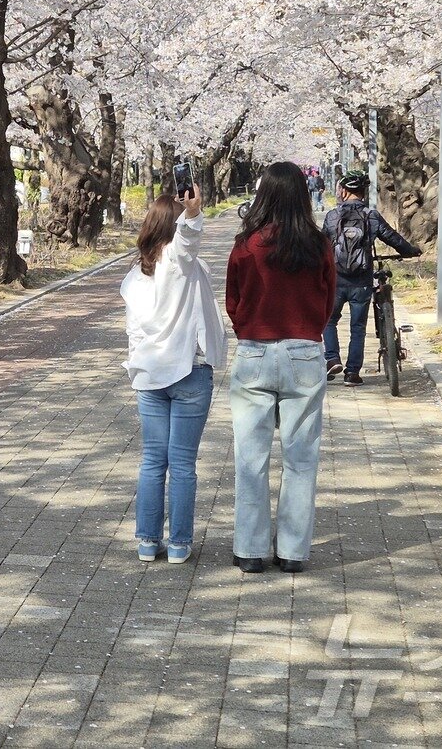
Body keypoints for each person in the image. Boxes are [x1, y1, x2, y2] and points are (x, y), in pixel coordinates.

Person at [225, 161, 337, 574]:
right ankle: (292, 551)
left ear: (263, 195)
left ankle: (250, 550)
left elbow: (233, 301)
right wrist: (309, 328)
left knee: (250, 458)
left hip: (254, 352)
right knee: (301, 459)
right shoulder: (318, 245)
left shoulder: (246, 244)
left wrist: (249, 328)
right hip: (304, 352)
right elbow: (329, 299)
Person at [121, 186, 227, 564]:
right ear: (173, 227)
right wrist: (193, 214)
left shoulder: (135, 277)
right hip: (189, 373)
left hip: (150, 376)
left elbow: (133, 333)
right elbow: (187, 240)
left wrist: (139, 366)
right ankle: (179, 544)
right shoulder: (178, 262)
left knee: (153, 461)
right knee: (181, 463)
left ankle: (148, 542)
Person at [322, 170, 422, 386]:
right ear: (364, 192)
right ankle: (352, 373)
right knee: (357, 328)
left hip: (335, 281)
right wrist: (410, 251)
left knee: (329, 320)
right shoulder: (371, 216)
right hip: (362, 282)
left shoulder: (332, 216)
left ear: (343, 191)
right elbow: (392, 237)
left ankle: (332, 358)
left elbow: (321, 246)